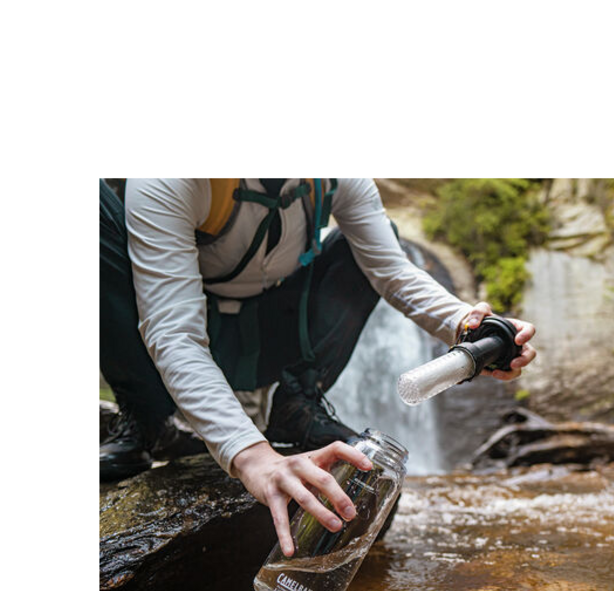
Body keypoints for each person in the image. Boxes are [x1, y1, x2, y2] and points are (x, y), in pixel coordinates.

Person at [100, 178, 537, 554]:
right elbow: (174, 333)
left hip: (279, 329)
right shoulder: (169, 177)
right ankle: (146, 418)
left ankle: (298, 407)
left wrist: (468, 327)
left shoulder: (337, 173)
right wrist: (253, 458)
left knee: (369, 240)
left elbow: (391, 271)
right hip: (164, 337)